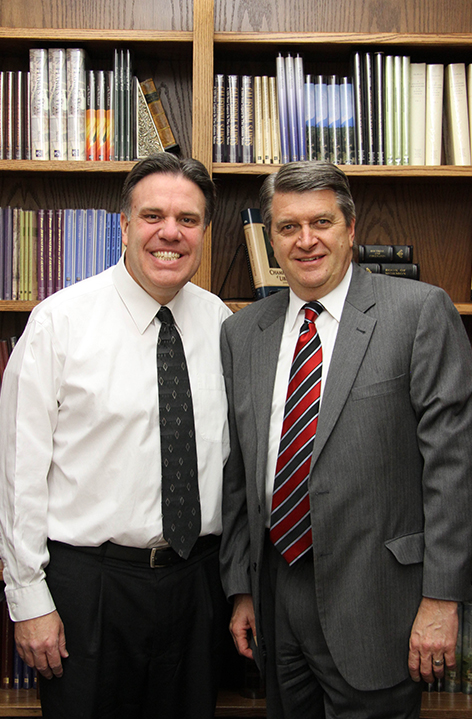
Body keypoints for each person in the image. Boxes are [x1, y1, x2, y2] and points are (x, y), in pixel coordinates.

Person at [219, 160, 472, 719]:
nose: (306, 241)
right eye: (288, 227)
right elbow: (239, 471)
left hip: (379, 598)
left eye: (322, 223)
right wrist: (242, 588)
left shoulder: (418, 314)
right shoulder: (243, 333)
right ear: (271, 237)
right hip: (276, 594)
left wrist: (442, 600)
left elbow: (453, 469)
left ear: (350, 229)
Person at [0, 153, 232, 719]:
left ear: (204, 231)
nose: (170, 233)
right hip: (91, 589)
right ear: (124, 226)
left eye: (188, 219)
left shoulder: (225, 324)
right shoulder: (60, 322)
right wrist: (28, 599)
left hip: (199, 582)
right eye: (153, 215)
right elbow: (18, 471)